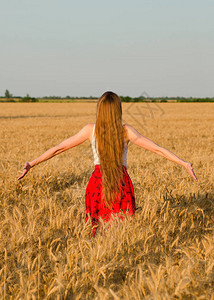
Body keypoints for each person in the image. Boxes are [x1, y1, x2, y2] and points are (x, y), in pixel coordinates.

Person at [17, 91, 198, 237]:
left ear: (100, 110)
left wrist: (32, 163)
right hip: (120, 184)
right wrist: (183, 163)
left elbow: (59, 148)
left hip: (97, 184)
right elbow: (157, 149)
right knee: (121, 231)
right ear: (118, 110)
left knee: (96, 230)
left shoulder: (90, 130)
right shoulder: (126, 131)